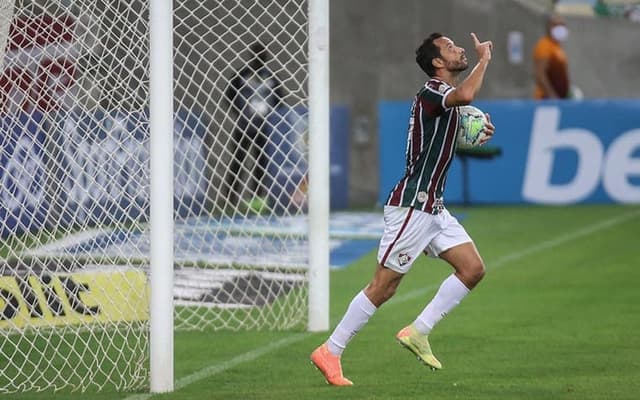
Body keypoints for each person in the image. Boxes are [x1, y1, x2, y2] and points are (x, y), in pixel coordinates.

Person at [310, 32, 495, 386]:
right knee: (384, 286)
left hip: (434, 208)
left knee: (472, 269)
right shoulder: (432, 92)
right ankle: (330, 351)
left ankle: (418, 331)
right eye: (450, 47)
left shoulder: (446, 102)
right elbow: (466, 95)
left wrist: (477, 132)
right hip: (412, 205)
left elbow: (453, 128)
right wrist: (484, 60)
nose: (459, 49)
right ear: (438, 63)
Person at [223, 42, 286, 211]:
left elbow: (280, 101)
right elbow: (228, 96)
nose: (259, 60)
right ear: (251, 57)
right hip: (244, 127)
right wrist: (240, 112)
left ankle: (256, 200)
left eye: (262, 56)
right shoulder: (242, 77)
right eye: (257, 56)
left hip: (264, 129)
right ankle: (229, 200)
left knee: (260, 165)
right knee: (237, 162)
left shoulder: (271, 79)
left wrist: (271, 116)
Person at [533, 14, 570, 99]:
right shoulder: (544, 45)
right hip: (546, 99)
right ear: (549, 27)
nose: (560, 28)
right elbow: (540, 74)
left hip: (560, 98)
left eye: (562, 25)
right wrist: (552, 95)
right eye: (556, 25)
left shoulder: (557, 47)